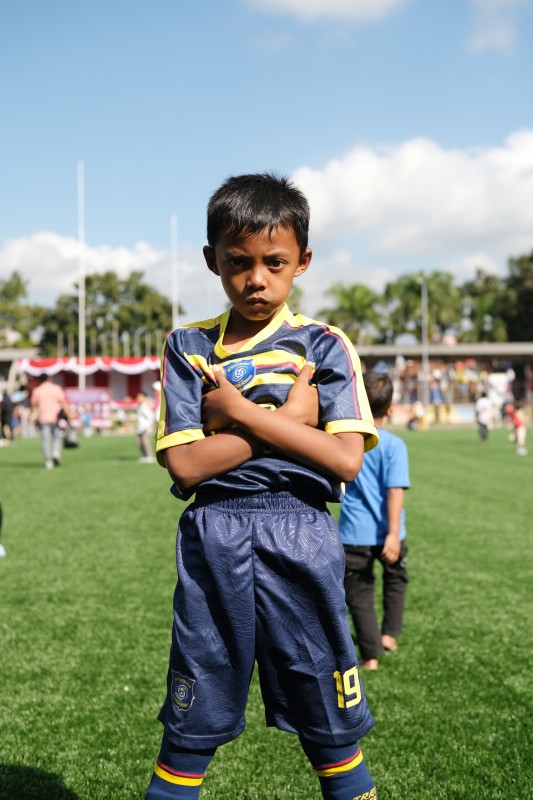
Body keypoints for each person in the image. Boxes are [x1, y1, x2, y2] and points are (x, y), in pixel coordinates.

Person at [145, 173, 380, 800]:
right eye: (238, 262)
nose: (256, 279)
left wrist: (237, 415)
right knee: (192, 716)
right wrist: (289, 421)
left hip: (300, 527)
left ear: (302, 261)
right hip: (214, 530)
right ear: (212, 260)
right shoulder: (189, 347)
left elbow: (345, 460)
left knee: (328, 717)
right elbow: (186, 467)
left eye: (274, 263)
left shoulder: (324, 345)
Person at [339, 372, 410, 672]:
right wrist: (393, 534)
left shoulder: (346, 442)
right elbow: (395, 491)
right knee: (395, 582)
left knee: (359, 594)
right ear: (390, 409)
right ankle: (388, 636)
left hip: (354, 533)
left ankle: (370, 655)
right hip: (390, 532)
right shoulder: (394, 445)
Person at [30, 374, 70, 470]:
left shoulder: (37, 390)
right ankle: (56, 452)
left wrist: (31, 415)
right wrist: (68, 415)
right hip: (56, 417)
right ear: (49, 379)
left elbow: (33, 404)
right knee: (57, 437)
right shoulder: (56, 388)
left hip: (43, 418)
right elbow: (63, 402)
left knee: (46, 440)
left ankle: (48, 461)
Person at [136, 391, 156, 463]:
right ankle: (144, 455)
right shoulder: (139, 406)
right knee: (139, 443)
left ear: (144, 397)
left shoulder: (145, 406)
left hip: (144, 428)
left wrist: (147, 426)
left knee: (145, 442)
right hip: (139, 428)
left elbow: (150, 417)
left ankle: (149, 456)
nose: (138, 398)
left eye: (140, 396)